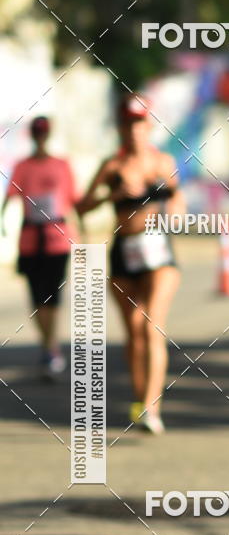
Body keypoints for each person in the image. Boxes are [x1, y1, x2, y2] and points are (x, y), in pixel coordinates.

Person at [76, 93, 181, 434]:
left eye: (140, 123)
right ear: (122, 127)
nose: (135, 130)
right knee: (134, 333)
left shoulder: (162, 163)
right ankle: (142, 399)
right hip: (124, 252)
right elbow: (82, 207)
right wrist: (111, 197)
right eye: (129, 123)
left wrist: (175, 216)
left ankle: (153, 407)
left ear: (148, 125)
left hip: (159, 252)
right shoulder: (112, 167)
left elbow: (177, 197)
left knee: (152, 327)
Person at [0, 116, 79, 379]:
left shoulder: (61, 165)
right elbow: (9, 198)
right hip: (31, 241)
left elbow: (74, 200)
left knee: (52, 297)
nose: (40, 138)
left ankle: (51, 346)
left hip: (57, 240)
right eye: (37, 134)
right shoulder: (23, 166)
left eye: (43, 133)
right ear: (33, 136)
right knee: (36, 297)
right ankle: (49, 346)